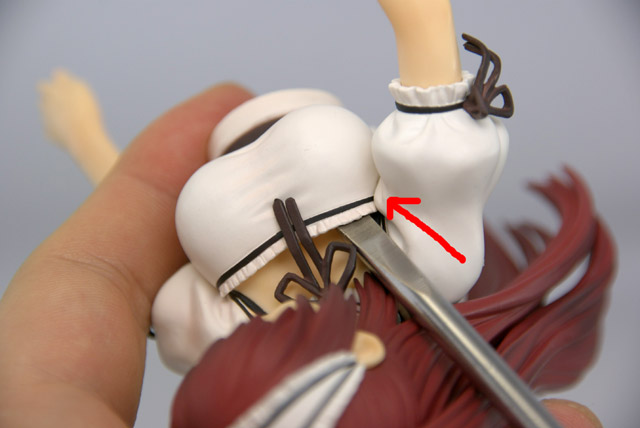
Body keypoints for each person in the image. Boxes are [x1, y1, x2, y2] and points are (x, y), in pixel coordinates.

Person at [0, 83, 603, 427]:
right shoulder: (218, 313)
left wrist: (422, 29)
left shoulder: (413, 255)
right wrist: (87, 139)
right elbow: (141, 246)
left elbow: (437, 166)